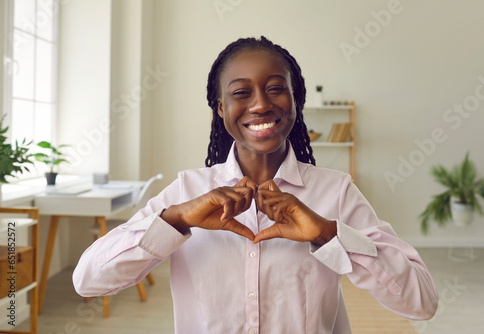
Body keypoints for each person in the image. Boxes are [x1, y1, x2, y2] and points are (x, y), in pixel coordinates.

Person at [73, 36, 438, 333]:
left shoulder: (336, 192)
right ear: (220, 107)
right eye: (241, 93)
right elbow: (88, 281)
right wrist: (177, 220)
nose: (261, 105)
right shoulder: (186, 192)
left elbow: (421, 303)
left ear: (296, 101)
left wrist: (329, 234)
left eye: (276, 88)